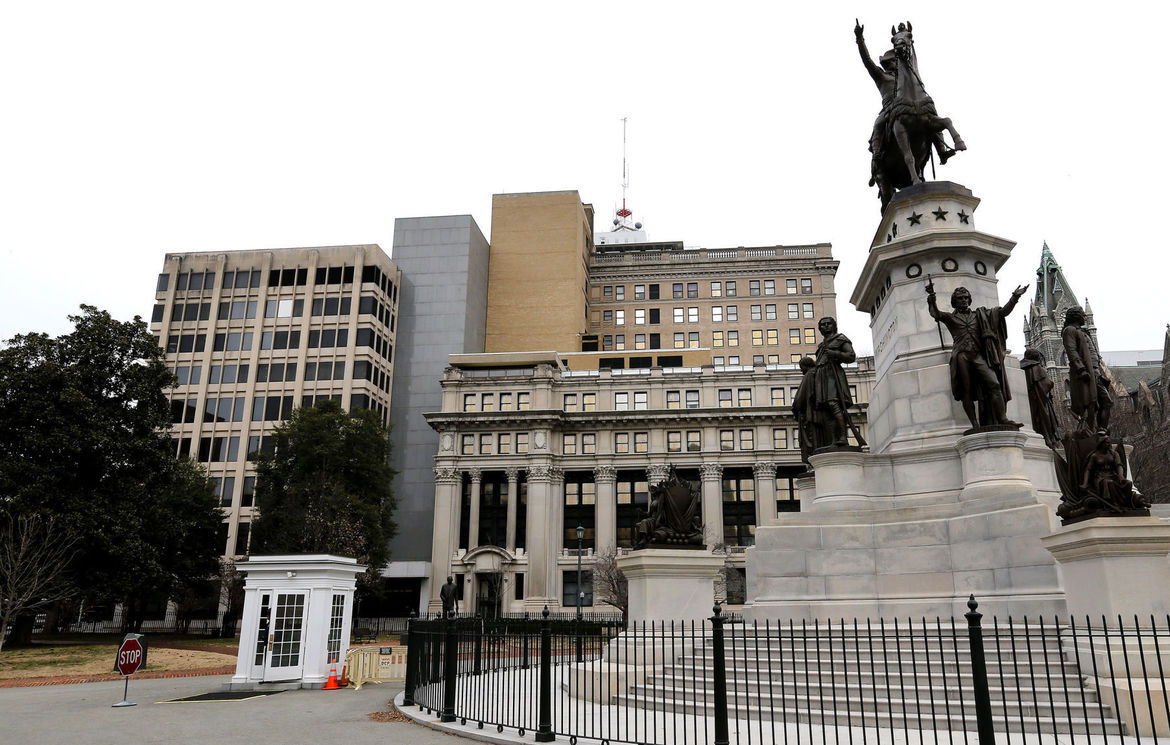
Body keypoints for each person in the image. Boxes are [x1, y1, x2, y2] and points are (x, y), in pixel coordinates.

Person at [926, 284, 1026, 429]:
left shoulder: (979, 315)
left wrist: (1015, 297)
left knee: (995, 384)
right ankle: (975, 424)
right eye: (960, 298)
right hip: (961, 357)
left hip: (978, 356)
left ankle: (1003, 418)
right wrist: (931, 298)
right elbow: (936, 314)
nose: (964, 300)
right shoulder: (951, 318)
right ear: (955, 301)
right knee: (966, 390)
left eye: (966, 298)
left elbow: (1003, 312)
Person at [1062, 306, 1113, 433]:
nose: (1084, 317)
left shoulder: (1083, 332)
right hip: (1086, 373)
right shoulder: (1069, 330)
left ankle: (1101, 430)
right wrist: (1081, 369)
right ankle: (1090, 431)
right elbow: (1071, 350)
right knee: (1090, 403)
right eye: (1082, 315)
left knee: (1106, 402)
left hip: (1095, 371)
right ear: (1076, 316)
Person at [811, 317, 861, 447]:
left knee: (834, 404)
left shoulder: (840, 339)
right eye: (823, 325)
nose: (826, 326)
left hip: (833, 375)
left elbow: (851, 356)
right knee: (826, 408)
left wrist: (836, 353)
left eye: (828, 324)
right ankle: (833, 440)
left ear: (834, 326)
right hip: (821, 377)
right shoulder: (822, 345)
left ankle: (843, 436)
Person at [1021, 348, 1061, 448]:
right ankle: (1048, 439)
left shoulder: (1020, 367)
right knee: (1045, 419)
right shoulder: (1038, 368)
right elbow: (1047, 384)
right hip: (1041, 400)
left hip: (1027, 400)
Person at [791, 356, 818, 466]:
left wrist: (795, 408)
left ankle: (812, 463)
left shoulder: (809, 375)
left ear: (806, 365)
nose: (801, 370)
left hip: (808, 415)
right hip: (810, 414)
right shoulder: (815, 374)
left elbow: (800, 398)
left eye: (801, 367)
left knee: (810, 440)